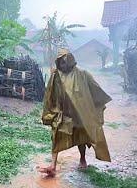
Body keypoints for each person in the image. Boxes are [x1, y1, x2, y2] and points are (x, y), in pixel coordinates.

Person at [38, 48, 112, 177]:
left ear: (71, 61)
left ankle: (82, 158)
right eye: (60, 62)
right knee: (56, 136)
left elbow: (95, 90)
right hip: (62, 113)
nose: (63, 65)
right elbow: (50, 94)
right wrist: (51, 111)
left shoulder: (83, 74)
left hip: (79, 113)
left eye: (65, 62)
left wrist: (94, 107)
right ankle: (53, 165)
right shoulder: (56, 76)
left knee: (81, 137)